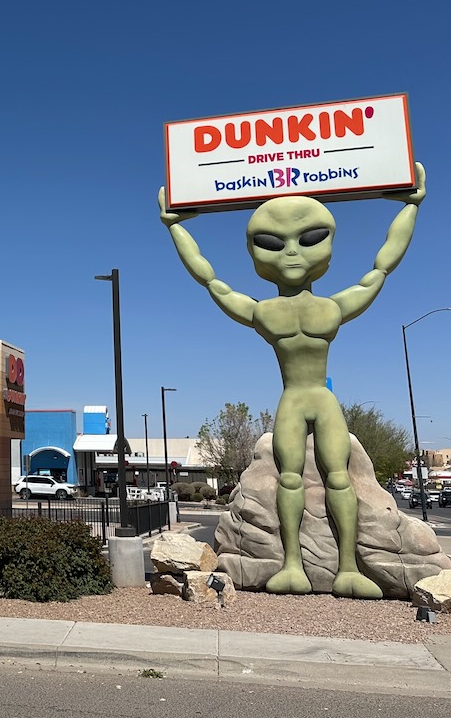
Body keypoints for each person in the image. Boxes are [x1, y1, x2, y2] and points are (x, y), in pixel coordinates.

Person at [157, 164, 425, 598]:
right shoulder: (274, 312)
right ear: (258, 253)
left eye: (310, 239)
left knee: (339, 478)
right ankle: (293, 565)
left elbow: (381, 267)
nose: (293, 253)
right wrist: (175, 229)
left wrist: (412, 206)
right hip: (295, 400)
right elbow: (210, 280)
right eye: (272, 244)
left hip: (319, 399)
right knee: (289, 478)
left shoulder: (324, 309)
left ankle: (348, 567)